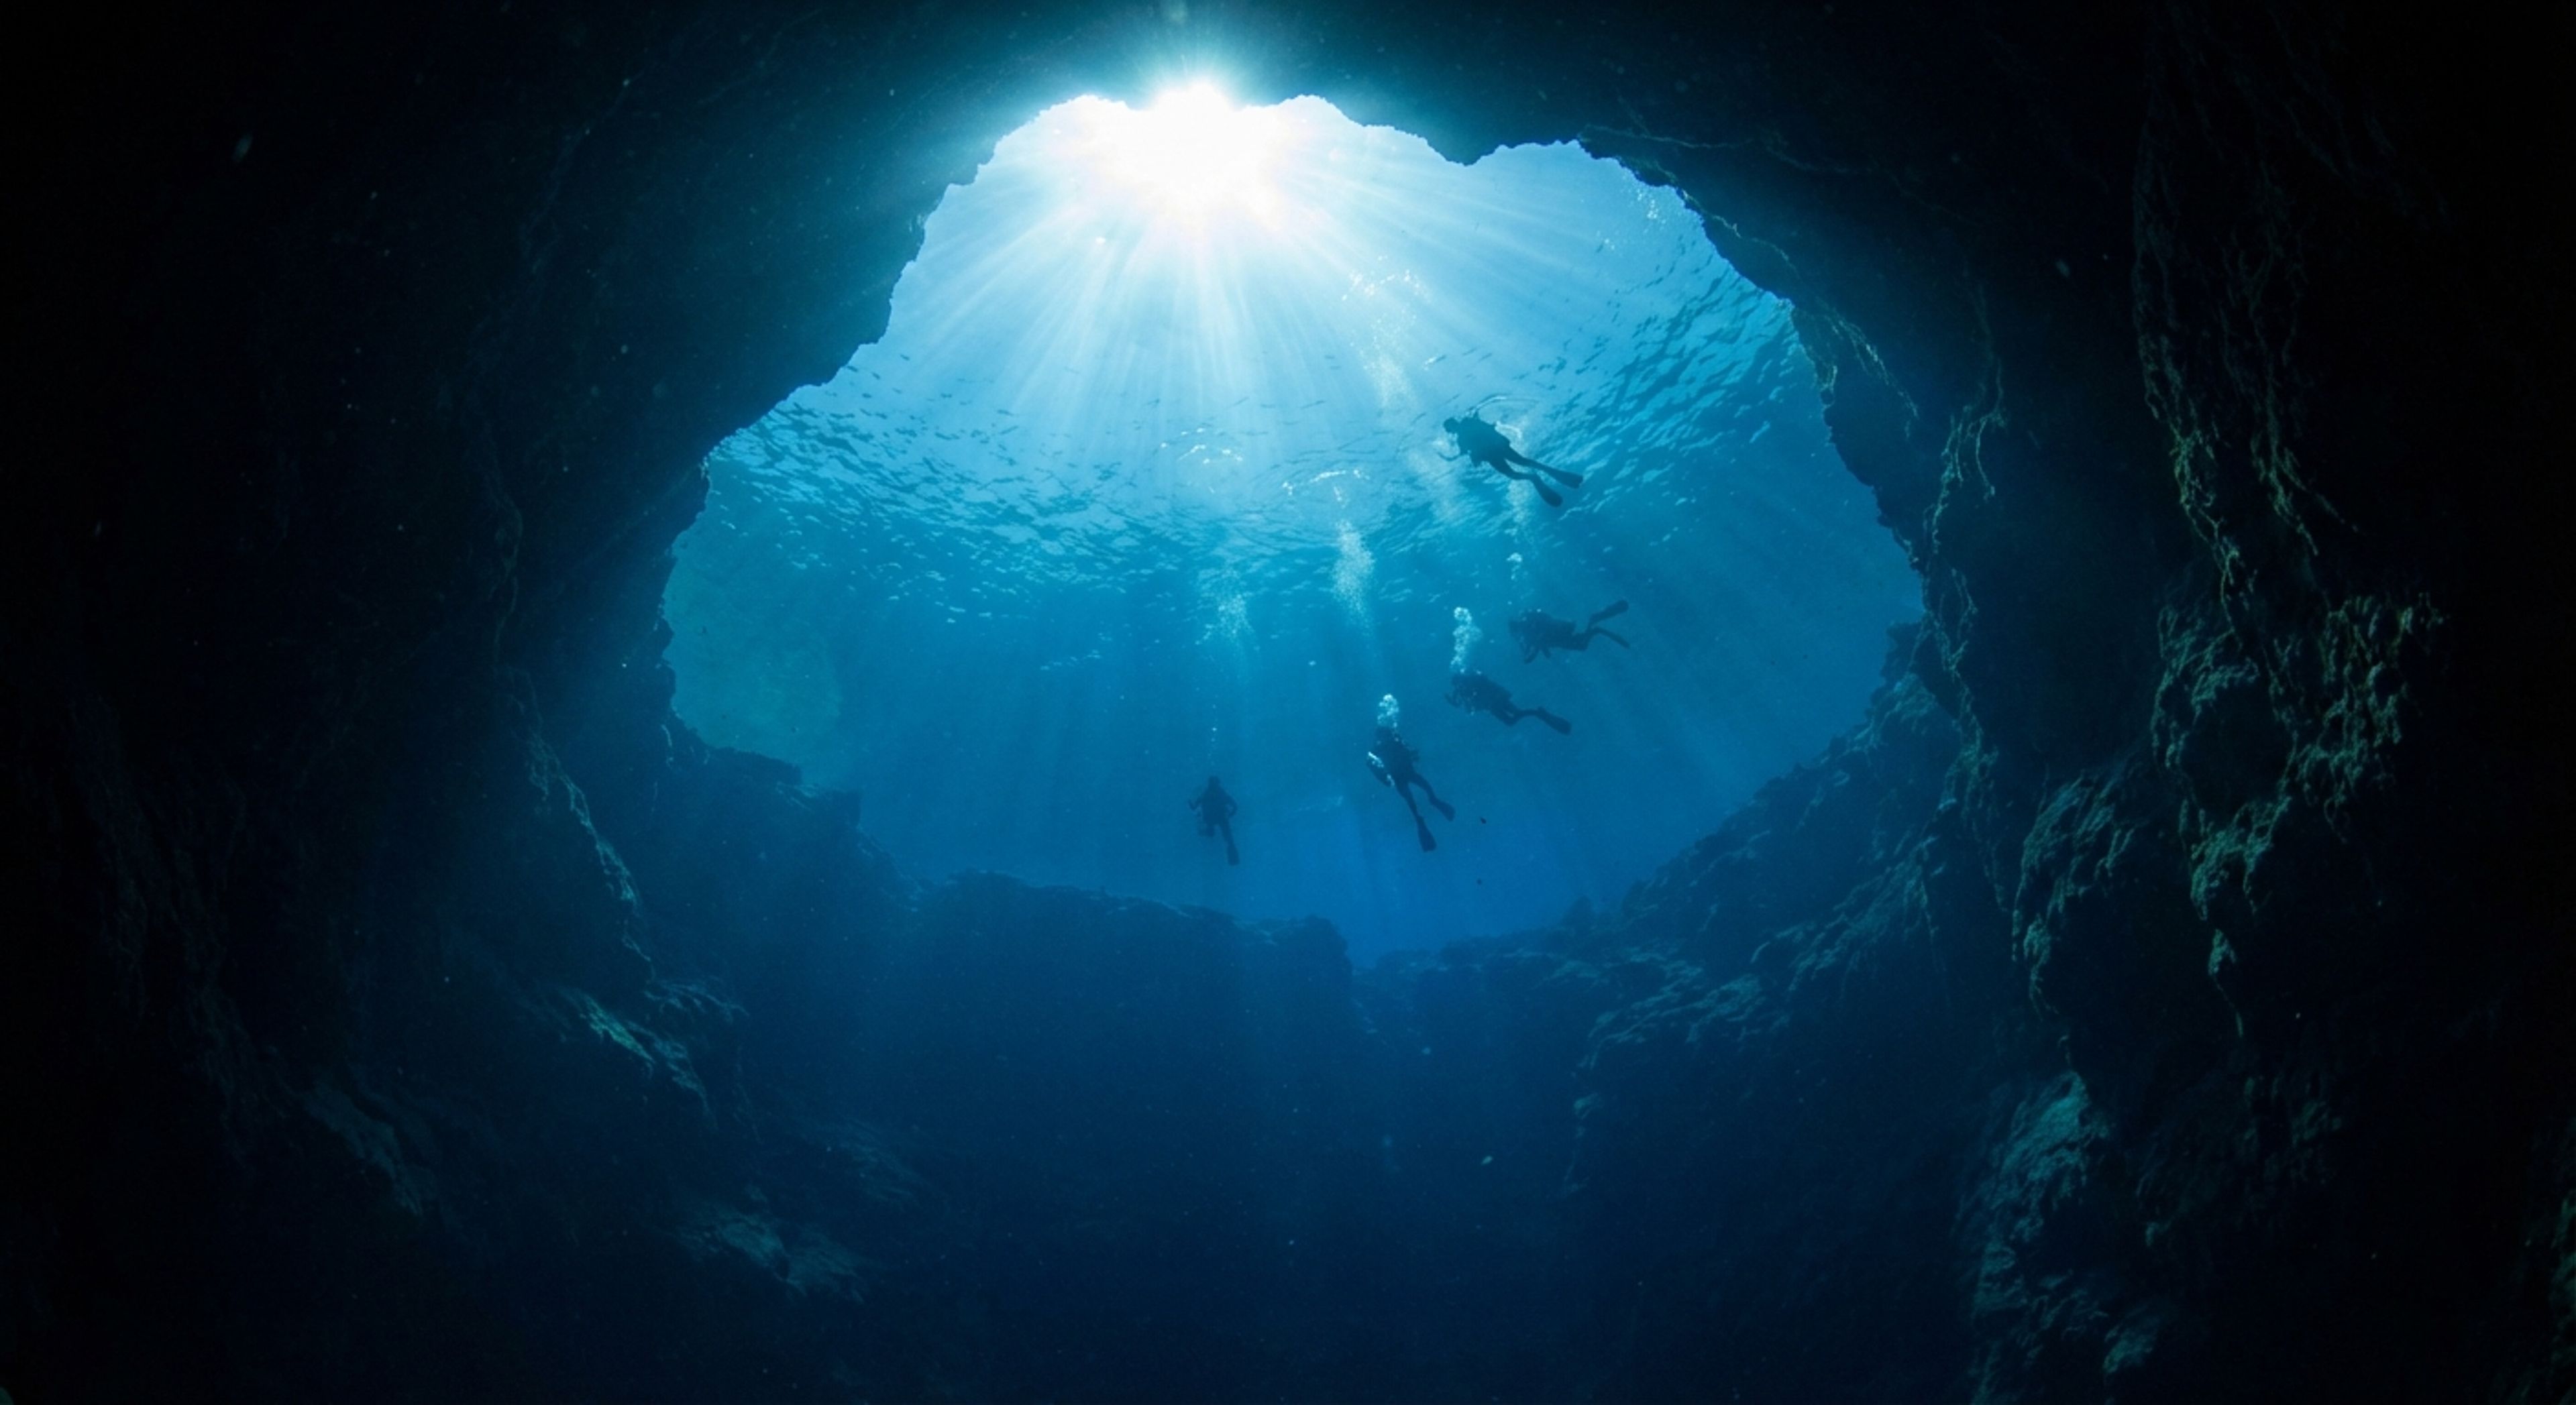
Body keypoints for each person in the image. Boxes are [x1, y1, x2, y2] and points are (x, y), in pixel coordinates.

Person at [1442, 412, 1585, 508]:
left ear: (1451, 426)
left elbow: (1474, 447)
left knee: (1517, 469)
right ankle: (1540, 475)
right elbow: (1470, 450)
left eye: (1448, 429)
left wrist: (1474, 457)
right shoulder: (1465, 432)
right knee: (1521, 465)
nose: (1449, 432)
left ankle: (1534, 477)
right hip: (1497, 449)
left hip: (1495, 451)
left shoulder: (1467, 426)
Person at [1367, 724, 1454, 852]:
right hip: (1401, 777)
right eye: (1384, 736)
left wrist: (1385, 778)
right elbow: (1371, 763)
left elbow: (1411, 752)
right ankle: (1421, 818)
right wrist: (1385, 779)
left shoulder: (1393, 743)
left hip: (1405, 774)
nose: (1387, 737)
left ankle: (1430, 805)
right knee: (1412, 799)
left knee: (1422, 789)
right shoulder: (1381, 747)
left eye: (1387, 735)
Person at [1446, 669, 1572, 734]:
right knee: (1513, 718)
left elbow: (1475, 698)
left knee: (1512, 719)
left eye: (1458, 684)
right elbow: (1467, 706)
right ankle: (1538, 713)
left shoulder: (1470, 682)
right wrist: (1454, 702)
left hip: (1495, 702)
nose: (1458, 687)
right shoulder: (1464, 689)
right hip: (1497, 700)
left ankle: (1537, 713)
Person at [1509, 600, 1631, 662]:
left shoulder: (1528, 634)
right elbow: (1539, 650)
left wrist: (1525, 648)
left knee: (1582, 646)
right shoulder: (1529, 629)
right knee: (1582, 645)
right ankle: (1597, 624)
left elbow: (1530, 657)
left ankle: (1596, 626)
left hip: (1560, 636)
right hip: (1563, 631)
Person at [1189, 775, 1240, 865]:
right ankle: (1233, 856)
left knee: (1212, 833)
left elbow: (1196, 806)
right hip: (1221, 818)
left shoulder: (1206, 793)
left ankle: (1208, 833)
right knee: (1228, 838)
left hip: (1211, 819)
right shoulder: (1221, 793)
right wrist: (1232, 813)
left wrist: (1191, 806)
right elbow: (1234, 805)